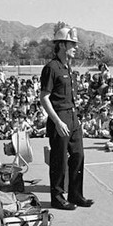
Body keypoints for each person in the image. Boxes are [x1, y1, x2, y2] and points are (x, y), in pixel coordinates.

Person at [39, 26, 93, 210]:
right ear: (61, 45)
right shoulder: (51, 68)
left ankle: (76, 194)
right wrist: (57, 121)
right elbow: (44, 97)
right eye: (72, 44)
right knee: (59, 160)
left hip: (72, 116)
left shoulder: (68, 68)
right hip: (59, 117)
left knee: (78, 155)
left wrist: (75, 120)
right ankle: (58, 198)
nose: (75, 48)